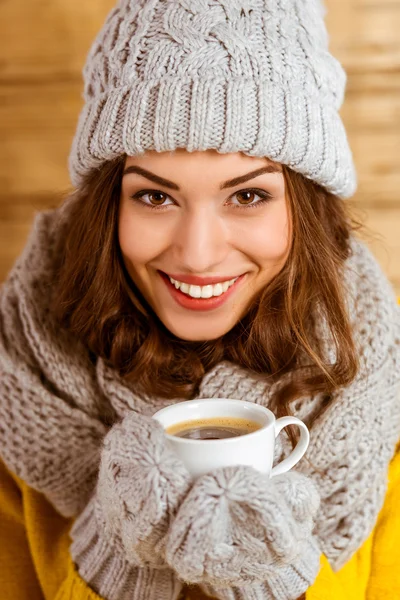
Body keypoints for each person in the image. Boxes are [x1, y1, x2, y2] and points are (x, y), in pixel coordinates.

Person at [1, 1, 400, 599]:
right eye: (155, 198)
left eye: (247, 197)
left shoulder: (376, 389)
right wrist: (120, 548)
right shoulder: (20, 380)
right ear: (108, 205)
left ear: (306, 207)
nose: (198, 255)